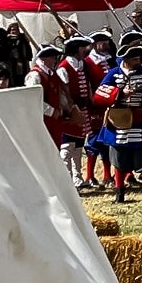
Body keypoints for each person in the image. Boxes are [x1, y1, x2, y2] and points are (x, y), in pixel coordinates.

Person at [92, 43, 142, 202]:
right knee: (119, 159)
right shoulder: (113, 73)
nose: (138, 61)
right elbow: (99, 94)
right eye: (134, 58)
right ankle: (119, 193)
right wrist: (119, 93)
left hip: (138, 120)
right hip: (118, 121)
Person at [56, 36, 94, 189]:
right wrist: (70, 109)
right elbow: (62, 93)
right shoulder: (64, 67)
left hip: (82, 110)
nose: (85, 50)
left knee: (78, 146)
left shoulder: (82, 65)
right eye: (82, 47)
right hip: (71, 111)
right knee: (67, 148)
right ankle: (66, 181)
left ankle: (77, 178)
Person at [84, 31, 115, 187]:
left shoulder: (110, 61)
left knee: (107, 141)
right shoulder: (88, 63)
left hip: (109, 106)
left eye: (107, 42)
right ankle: (89, 175)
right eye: (103, 42)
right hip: (95, 108)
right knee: (94, 141)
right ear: (96, 44)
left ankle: (108, 175)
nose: (107, 45)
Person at [24, 44, 65, 147]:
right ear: (43, 58)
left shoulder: (52, 74)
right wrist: (51, 111)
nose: (55, 60)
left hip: (54, 122)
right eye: (52, 57)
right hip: (41, 121)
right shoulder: (35, 76)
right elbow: (31, 100)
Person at [4, 21, 34, 88]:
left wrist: (29, 57)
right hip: (11, 62)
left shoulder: (23, 38)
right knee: (12, 77)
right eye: (12, 30)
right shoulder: (6, 39)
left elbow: (27, 49)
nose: (14, 32)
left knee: (23, 77)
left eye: (16, 30)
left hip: (22, 61)